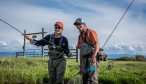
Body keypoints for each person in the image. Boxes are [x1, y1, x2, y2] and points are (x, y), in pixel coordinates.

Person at [74, 18, 99, 84]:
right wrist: (81, 64)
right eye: (77, 25)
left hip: (92, 60)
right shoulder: (80, 37)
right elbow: (80, 50)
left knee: (92, 77)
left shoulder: (91, 32)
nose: (78, 26)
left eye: (79, 24)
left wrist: (94, 57)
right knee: (84, 77)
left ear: (84, 24)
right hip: (84, 61)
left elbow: (97, 44)